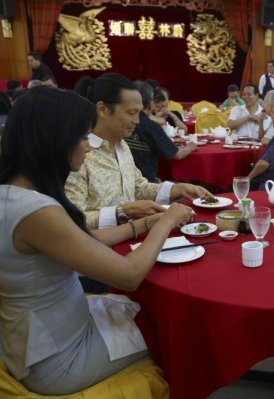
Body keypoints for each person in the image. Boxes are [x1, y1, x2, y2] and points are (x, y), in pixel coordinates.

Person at [0, 87, 195, 395]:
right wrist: (168, 221)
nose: (88, 148)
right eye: (81, 138)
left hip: (34, 340)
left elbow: (86, 239)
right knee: (178, 328)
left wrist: (144, 224)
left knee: (152, 309)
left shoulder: (13, 195)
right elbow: (130, 275)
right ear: (53, 141)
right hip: (59, 357)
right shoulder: (36, 211)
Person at [65, 73, 210, 230]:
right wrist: (126, 211)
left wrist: (179, 189)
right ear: (103, 109)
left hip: (133, 238)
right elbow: (73, 220)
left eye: (139, 113)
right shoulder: (78, 154)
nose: (137, 121)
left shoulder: (122, 145)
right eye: (130, 113)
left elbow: (138, 187)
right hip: (99, 248)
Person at [125, 81, 196, 182]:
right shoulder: (149, 126)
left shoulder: (121, 121)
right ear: (151, 104)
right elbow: (177, 154)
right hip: (146, 183)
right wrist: (191, 147)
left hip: (124, 179)